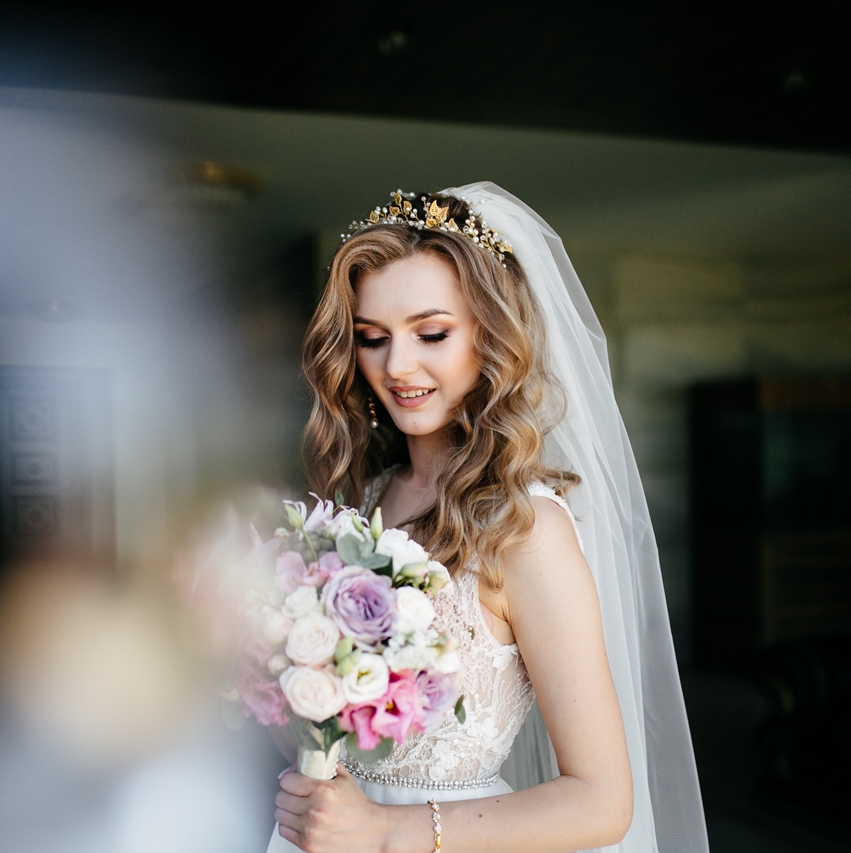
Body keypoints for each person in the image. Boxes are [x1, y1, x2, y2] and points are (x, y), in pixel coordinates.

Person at [267, 184, 707, 853]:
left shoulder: (526, 529)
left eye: (432, 333)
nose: (397, 365)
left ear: (490, 336)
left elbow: (603, 800)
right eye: (372, 338)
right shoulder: (365, 501)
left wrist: (384, 830)